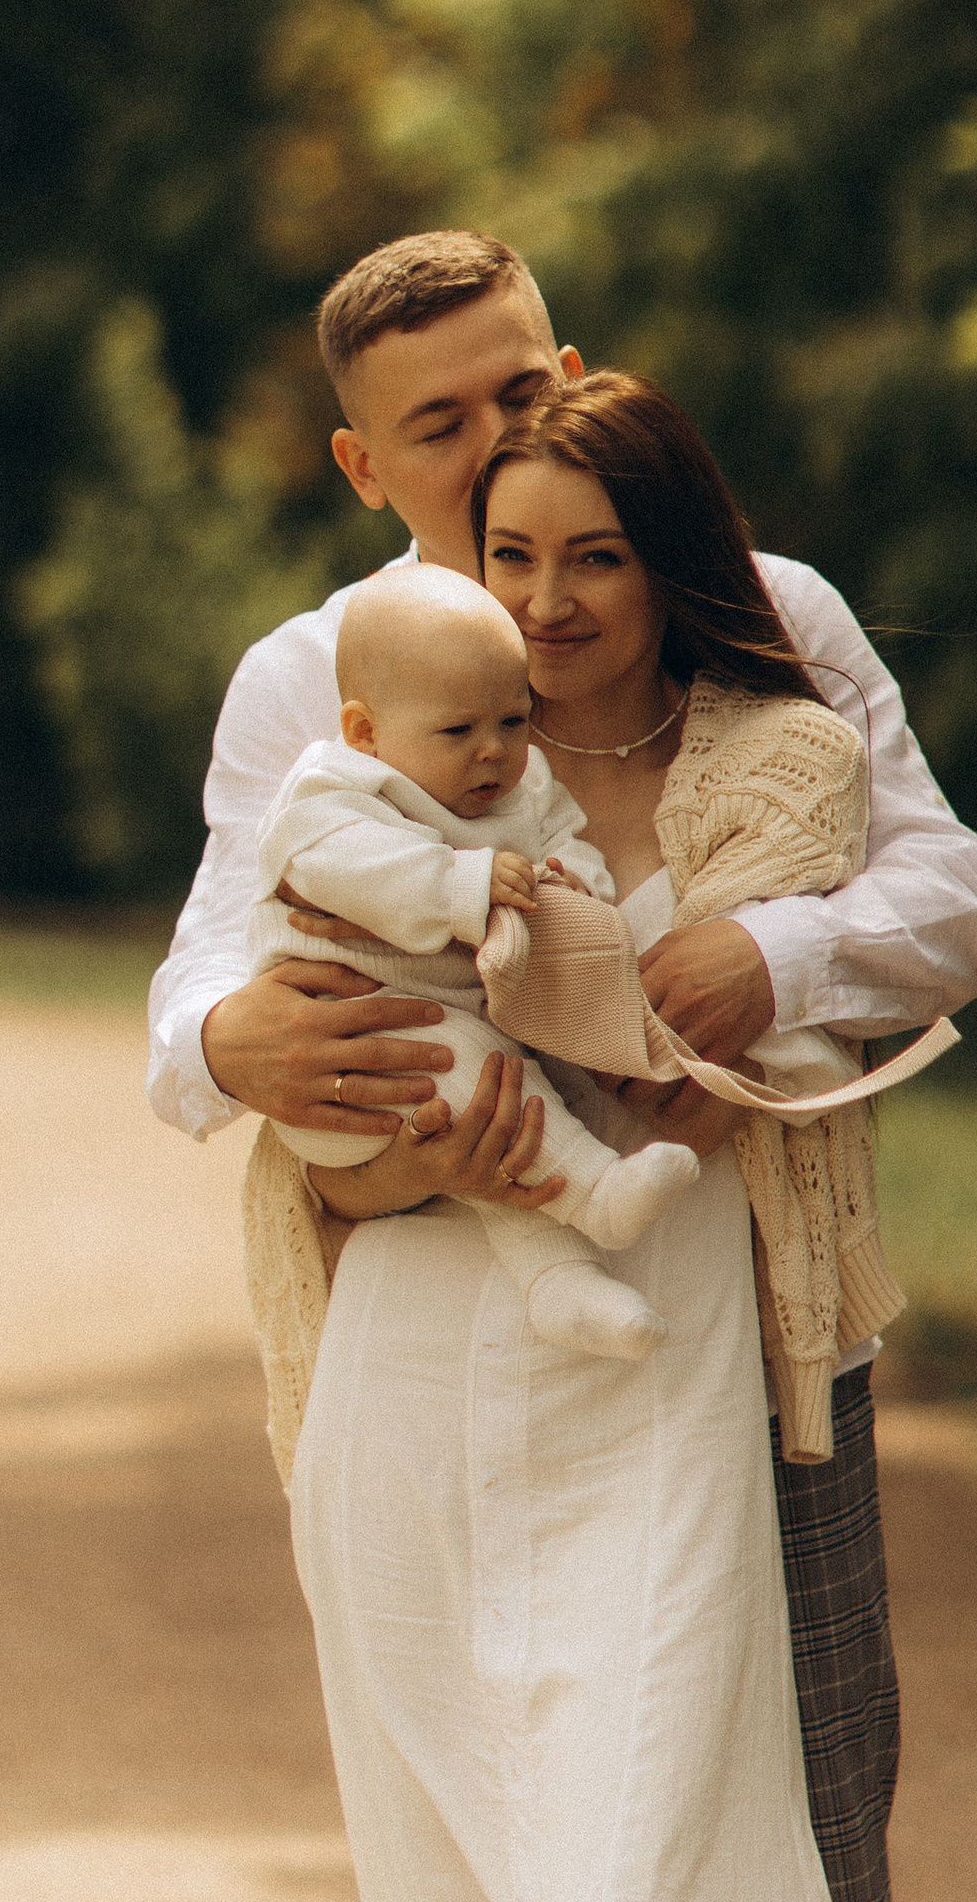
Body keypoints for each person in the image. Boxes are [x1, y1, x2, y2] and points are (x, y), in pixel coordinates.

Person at [147, 231, 977, 1902]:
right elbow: (197, 986)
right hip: (434, 1311)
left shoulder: (760, 611)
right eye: (440, 426)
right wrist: (225, 1045)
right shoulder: (311, 677)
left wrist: (776, 954)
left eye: (523, 383)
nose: (497, 439)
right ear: (361, 458)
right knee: (444, 1872)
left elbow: (948, 891)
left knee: (797, 1817)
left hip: (743, 1309)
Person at [254, 558, 706, 1356]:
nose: (493, 753)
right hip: (351, 1057)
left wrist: (576, 887)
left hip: (450, 1043)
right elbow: (339, 865)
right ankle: (597, 1192)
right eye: (458, 731)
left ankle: (559, 1285)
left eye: (513, 720)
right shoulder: (336, 792)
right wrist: (463, 884)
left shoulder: (517, 789)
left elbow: (563, 838)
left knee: (491, 1115)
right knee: (471, 1063)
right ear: (365, 731)